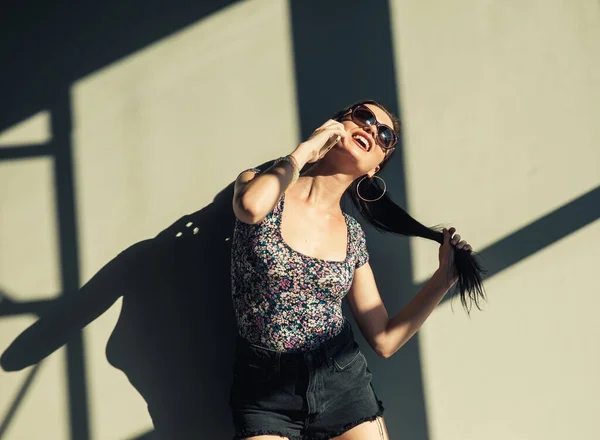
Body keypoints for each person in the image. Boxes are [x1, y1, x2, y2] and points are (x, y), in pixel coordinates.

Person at [229, 100, 483, 440]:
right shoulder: (262, 185)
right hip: (264, 389)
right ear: (336, 125)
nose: (371, 130)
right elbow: (249, 207)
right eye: (362, 117)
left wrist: (444, 279)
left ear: (374, 169)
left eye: (385, 136)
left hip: (341, 382)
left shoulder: (352, 235)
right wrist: (306, 150)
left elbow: (384, 339)